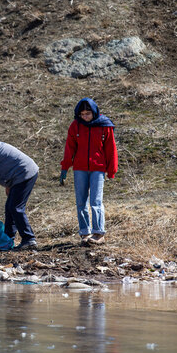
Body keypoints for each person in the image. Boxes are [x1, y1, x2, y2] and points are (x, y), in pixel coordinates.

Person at [60, 98, 118, 245]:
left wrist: (111, 170)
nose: (85, 117)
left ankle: (98, 233)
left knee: (96, 201)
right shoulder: (75, 126)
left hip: (98, 168)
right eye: (82, 114)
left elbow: (111, 149)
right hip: (80, 169)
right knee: (81, 202)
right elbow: (69, 147)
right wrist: (65, 167)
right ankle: (85, 233)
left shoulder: (105, 126)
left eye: (88, 114)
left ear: (94, 112)